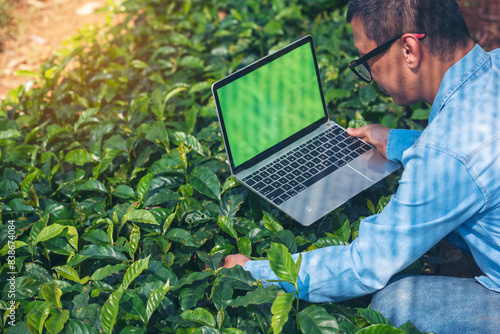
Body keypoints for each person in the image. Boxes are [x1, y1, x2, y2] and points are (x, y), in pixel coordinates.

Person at [223, 0, 500, 332]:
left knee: (397, 304)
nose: (368, 75)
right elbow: (473, 158)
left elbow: (365, 265)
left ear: (410, 49)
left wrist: (252, 271)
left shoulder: (445, 155)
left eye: (367, 60)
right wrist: (397, 142)